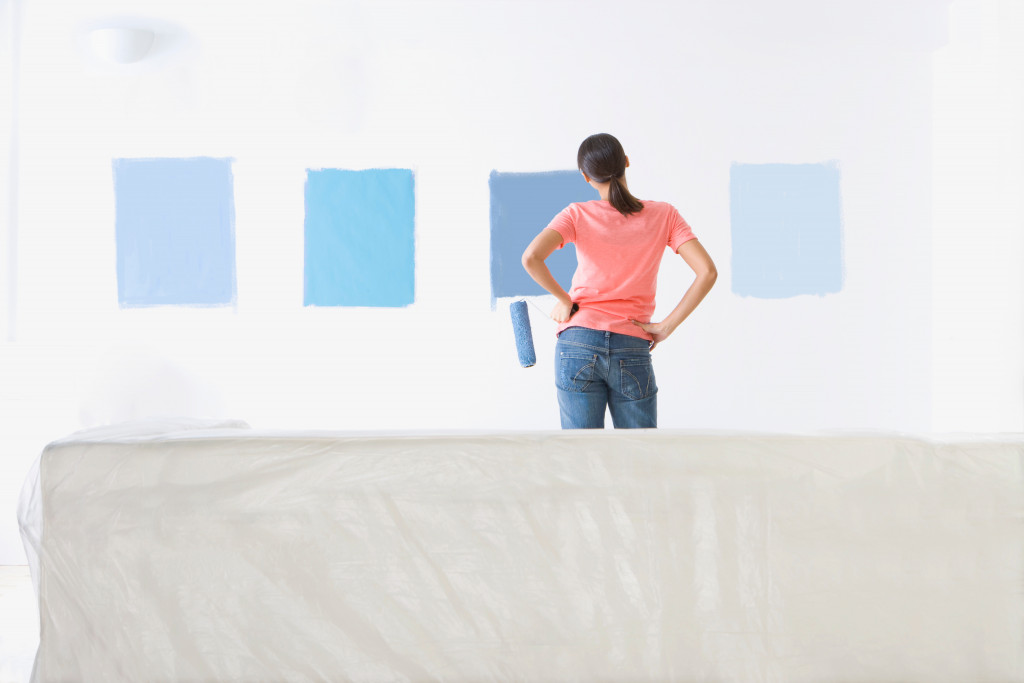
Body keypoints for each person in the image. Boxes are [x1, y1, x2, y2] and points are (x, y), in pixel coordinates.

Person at [521, 133, 717, 429]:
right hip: (632, 344)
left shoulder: (576, 214)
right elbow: (707, 271)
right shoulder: (665, 215)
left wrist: (565, 300)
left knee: (581, 459)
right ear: (626, 162)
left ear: (586, 177)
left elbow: (531, 257)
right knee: (639, 458)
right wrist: (666, 327)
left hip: (578, 342)